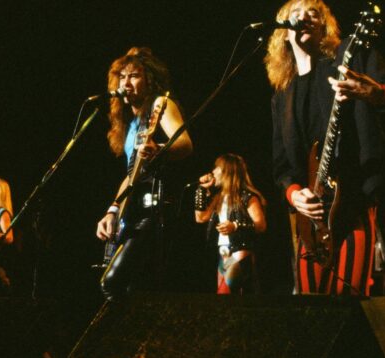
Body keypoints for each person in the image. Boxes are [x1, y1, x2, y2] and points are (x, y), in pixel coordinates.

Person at [265, 0, 385, 296]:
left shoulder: (350, 57)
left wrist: (373, 92)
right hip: (310, 220)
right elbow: (281, 167)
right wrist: (294, 195)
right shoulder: (282, 95)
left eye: (313, 13)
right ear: (283, 30)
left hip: (354, 200)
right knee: (309, 310)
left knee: (348, 304)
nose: (303, 17)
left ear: (324, 26)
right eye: (296, 12)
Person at [96, 46, 193, 301]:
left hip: (154, 210)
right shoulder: (129, 125)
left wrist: (158, 149)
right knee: (133, 290)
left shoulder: (160, 104)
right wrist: (113, 210)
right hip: (132, 211)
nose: (126, 83)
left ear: (150, 79)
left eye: (134, 76)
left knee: (112, 284)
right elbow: (131, 174)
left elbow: (184, 144)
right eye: (122, 77)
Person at [194, 153, 266, 295]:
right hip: (223, 252)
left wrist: (235, 226)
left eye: (217, 168)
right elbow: (200, 218)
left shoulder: (247, 197)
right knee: (227, 295)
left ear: (227, 171)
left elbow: (261, 225)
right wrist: (201, 189)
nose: (213, 171)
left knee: (227, 293)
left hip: (240, 250)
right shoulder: (218, 198)